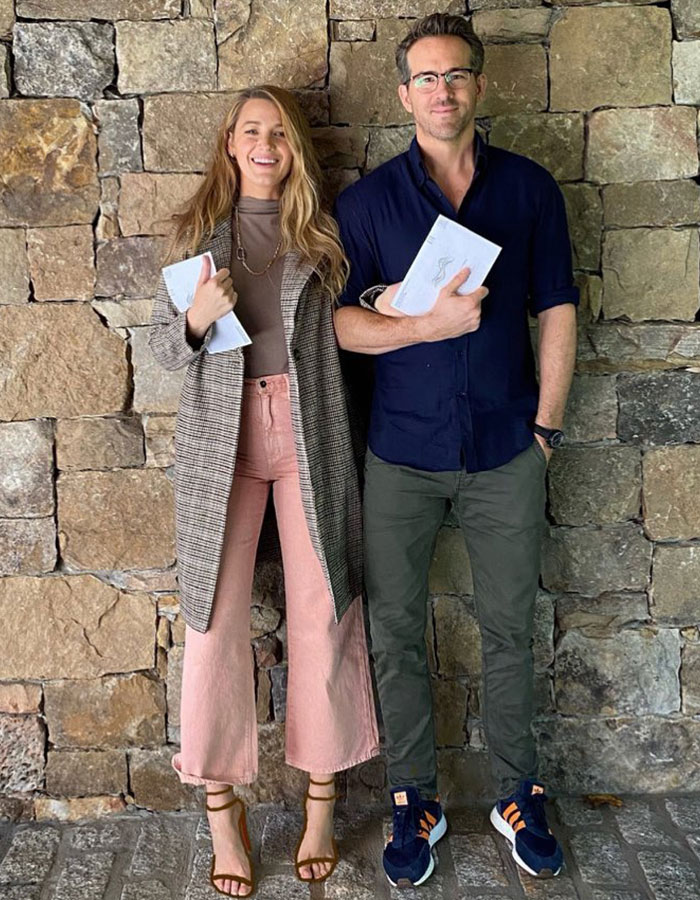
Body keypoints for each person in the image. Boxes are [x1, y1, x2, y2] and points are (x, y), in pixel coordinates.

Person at [333, 12, 578, 888]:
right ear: (405, 95)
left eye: (457, 74)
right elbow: (340, 325)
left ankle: (519, 795)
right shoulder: (366, 205)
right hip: (401, 452)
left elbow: (557, 308)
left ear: (479, 84)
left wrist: (546, 430)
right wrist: (421, 326)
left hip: (508, 447)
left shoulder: (530, 190)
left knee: (510, 628)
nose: (444, 91)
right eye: (427, 78)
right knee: (396, 633)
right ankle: (414, 802)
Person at [148, 84, 379, 898]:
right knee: (212, 622)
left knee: (325, 611)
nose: (265, 145)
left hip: (312, 433)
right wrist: (194, 319)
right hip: (224, 442)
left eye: (279, 133)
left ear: (294, 149)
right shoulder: (197, 238)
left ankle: (322, 803)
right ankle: (222, 811)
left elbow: (355, 334)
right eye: (251, 130)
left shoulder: (323, 235)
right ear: (230, 142)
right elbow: (165, 354)